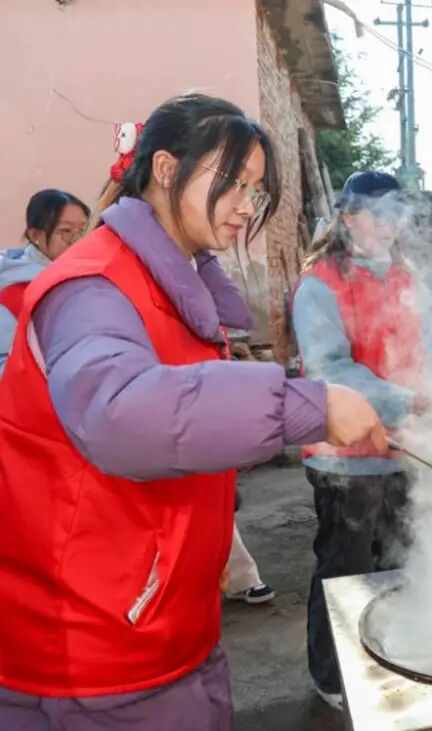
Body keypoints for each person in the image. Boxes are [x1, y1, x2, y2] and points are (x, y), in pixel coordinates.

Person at [0, 93, 385, 730]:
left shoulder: (173, 282)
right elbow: (122, 415)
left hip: (166, 622)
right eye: (232, 181)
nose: (246, 204)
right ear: (167, 169)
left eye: (257, 190)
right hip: (93, 649)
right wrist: (305, 404)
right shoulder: (93, 285)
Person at [292, 170, 432, 710]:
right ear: (348, 217)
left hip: (403, 450)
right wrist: (406, 400)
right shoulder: (320, 283)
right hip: (343, 456)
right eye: (378, 213)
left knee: (402, 560)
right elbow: (331, 369)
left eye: (397, 214)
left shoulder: (407, 279)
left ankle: (395, 658)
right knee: (344, 568)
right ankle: (330, 676)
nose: (390, 225)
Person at [0, 189, 89, 374]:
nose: (77, 240)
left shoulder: (85, 278)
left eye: (83, 230)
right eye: (65, 231)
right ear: (35, 236)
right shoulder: (15, 291)